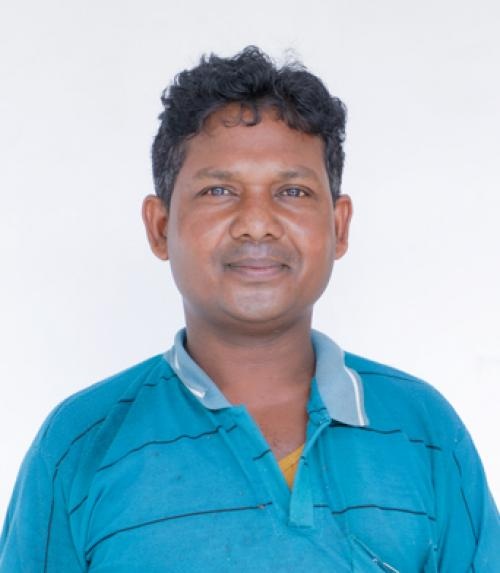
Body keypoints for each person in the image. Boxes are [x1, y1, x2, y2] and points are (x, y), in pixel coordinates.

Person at [0, 47, 498, 573]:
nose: (257, 223)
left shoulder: (424, 432)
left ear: (339, 226)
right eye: (219, 190)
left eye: (292, 191)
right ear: (160, 226)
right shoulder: (82, 443)